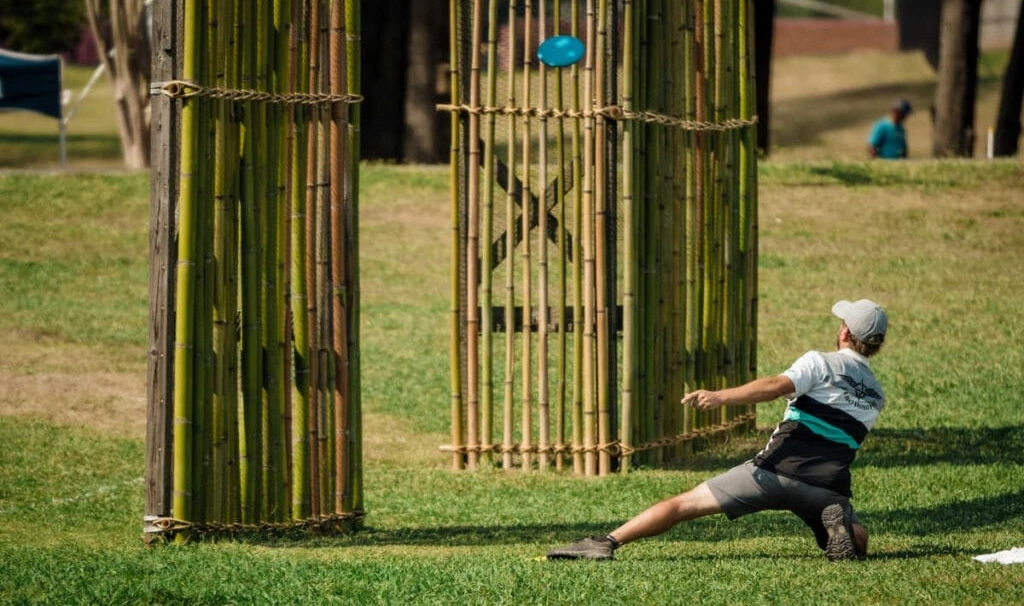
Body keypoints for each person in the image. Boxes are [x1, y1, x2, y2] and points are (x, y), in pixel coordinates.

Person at [546, 299, 888, 563]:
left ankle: (606, 543)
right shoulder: (876, 396)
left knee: (683, 504)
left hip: (774, 473)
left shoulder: (820, 362)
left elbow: (775, 386)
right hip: (827, 486)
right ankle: (845, 533)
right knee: (856, 534)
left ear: (845, 333)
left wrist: (721, 397)